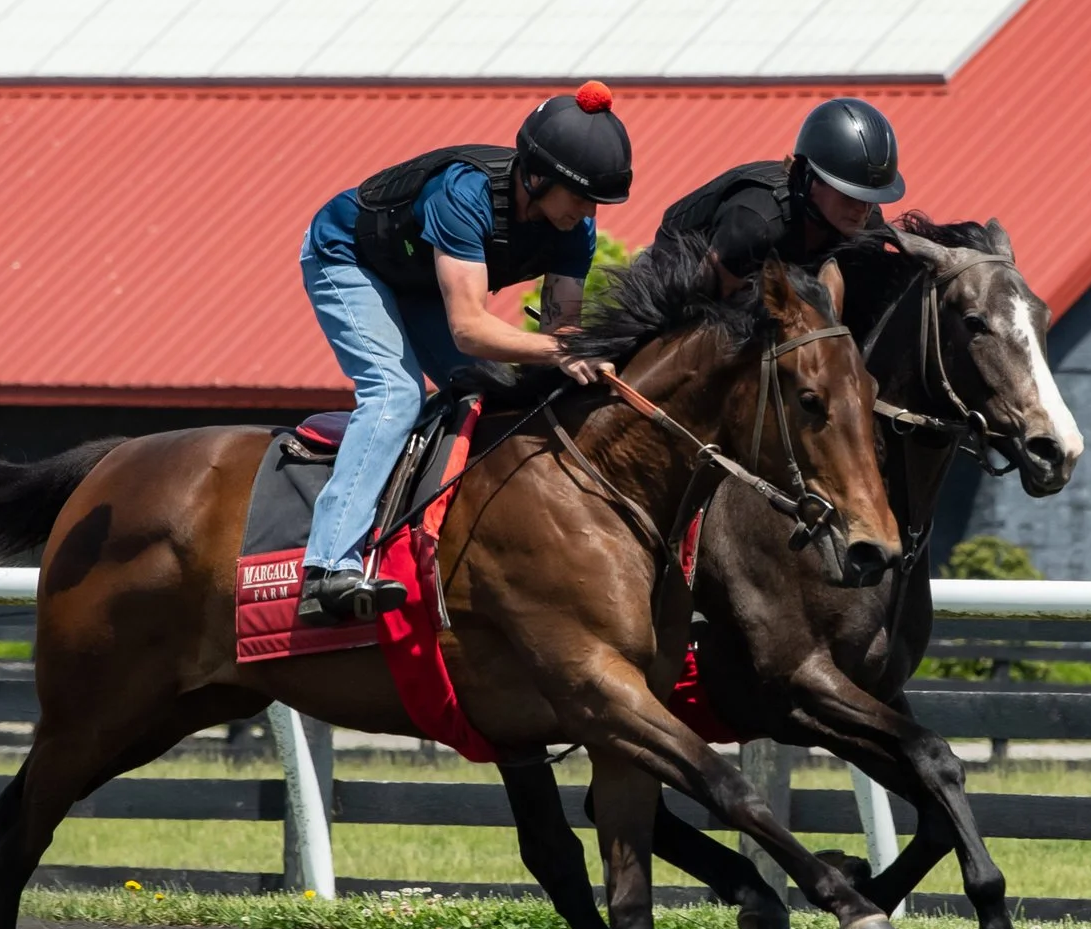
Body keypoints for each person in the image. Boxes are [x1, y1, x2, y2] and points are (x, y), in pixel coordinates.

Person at [296, 82, 631, 621]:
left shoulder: (576, 229)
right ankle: (328, 568)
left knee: (496, 389)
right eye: (582, 195)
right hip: (347, 256)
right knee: (395, 394)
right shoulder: (465, 194)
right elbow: (470, 330)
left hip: (421, 282)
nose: (589, 210)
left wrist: (586, 359)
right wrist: (557, 354)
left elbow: (561, 333)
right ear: (539, 176)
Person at [657, 96, 907, 289]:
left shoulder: (868, 226)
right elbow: (706, 306)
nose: (862, 210)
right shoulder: (757, 224)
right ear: (811, 181)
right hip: (676, 271)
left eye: (869, 199)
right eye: (849, 195)